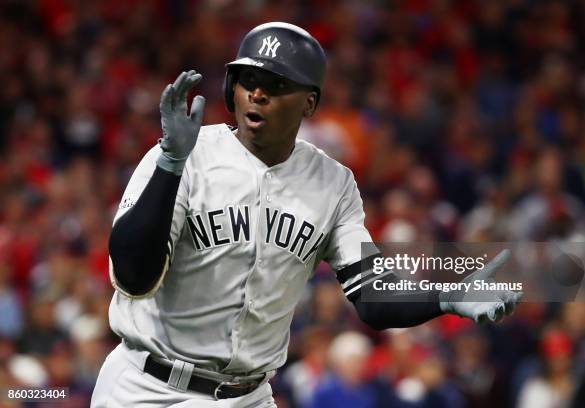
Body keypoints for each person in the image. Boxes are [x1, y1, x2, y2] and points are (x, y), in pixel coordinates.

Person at [91, 22, 522, 407]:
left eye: (276, 84)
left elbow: (372, 294)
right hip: (148, 389)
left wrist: (442, 296)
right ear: (231, 89)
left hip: (248, 396)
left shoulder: (332, 183)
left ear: (309, 104)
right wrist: (170, 163)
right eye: (248, 80)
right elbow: (133, 277)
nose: (257, 93)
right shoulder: (184, 154)